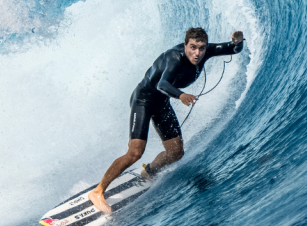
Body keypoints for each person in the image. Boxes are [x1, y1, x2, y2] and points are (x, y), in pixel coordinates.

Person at [87, 27, 245, 213]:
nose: (197, 53)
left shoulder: (205, 52)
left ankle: (149, 172)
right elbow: (162, 84)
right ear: (185, 45)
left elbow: (232, 50)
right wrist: (181, 95)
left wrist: (238, 42)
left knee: (176, 152)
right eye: (193, 47)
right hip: (143, 101)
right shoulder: (174, 58)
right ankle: (98, 192)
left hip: (161, 102)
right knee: (135, 152)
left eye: (201, 48)